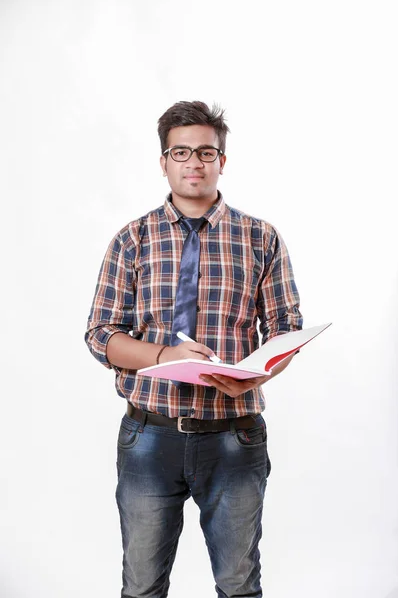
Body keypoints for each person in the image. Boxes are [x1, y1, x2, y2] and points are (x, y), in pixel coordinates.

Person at [84, 100, 303, 598]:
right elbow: (101, 333)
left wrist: (260, 372)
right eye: (180, 152)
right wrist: (164, 358)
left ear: (222, 161)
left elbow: (287, 327)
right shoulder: (132, 240)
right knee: (141, 587)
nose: (194, 163)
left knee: (239, 585)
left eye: (206, 152)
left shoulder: (260, 237)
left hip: (235, 437)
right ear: (164, 162)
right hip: (149, 436)